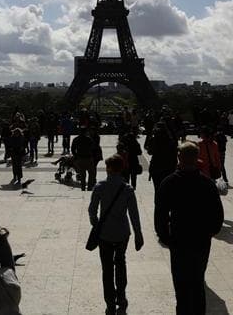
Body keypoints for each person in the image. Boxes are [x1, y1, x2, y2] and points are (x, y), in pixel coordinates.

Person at [155, 142, 224, 315]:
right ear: (197, 158)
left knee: (181, 284)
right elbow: (217, 214)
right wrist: (210, 232)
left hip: (179, 238)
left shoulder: (169, 183)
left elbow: (160, 214)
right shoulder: (207, 183)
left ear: (179, 158)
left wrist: (165, 237)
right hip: (201, 239)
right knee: (197, 281)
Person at [88, 155, 144, 314]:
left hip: (105, 233)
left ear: (110, 168)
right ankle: (121, 297)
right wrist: (138, 234)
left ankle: (110, 302)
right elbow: (134, 214)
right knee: (120, 263)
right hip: (122, 233)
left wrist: (95, 223)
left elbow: (92, 210)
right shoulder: (127, 189)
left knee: (107, 268)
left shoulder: (100, 186)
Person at [146, 122, 178, 201]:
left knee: (157, 189)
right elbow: (175, 154)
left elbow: (149, 151)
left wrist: (150, 135)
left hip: (156, 168)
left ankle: (158, 207)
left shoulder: (154, 139)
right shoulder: (171, 140)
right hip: (169, 168)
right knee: (168, 190)